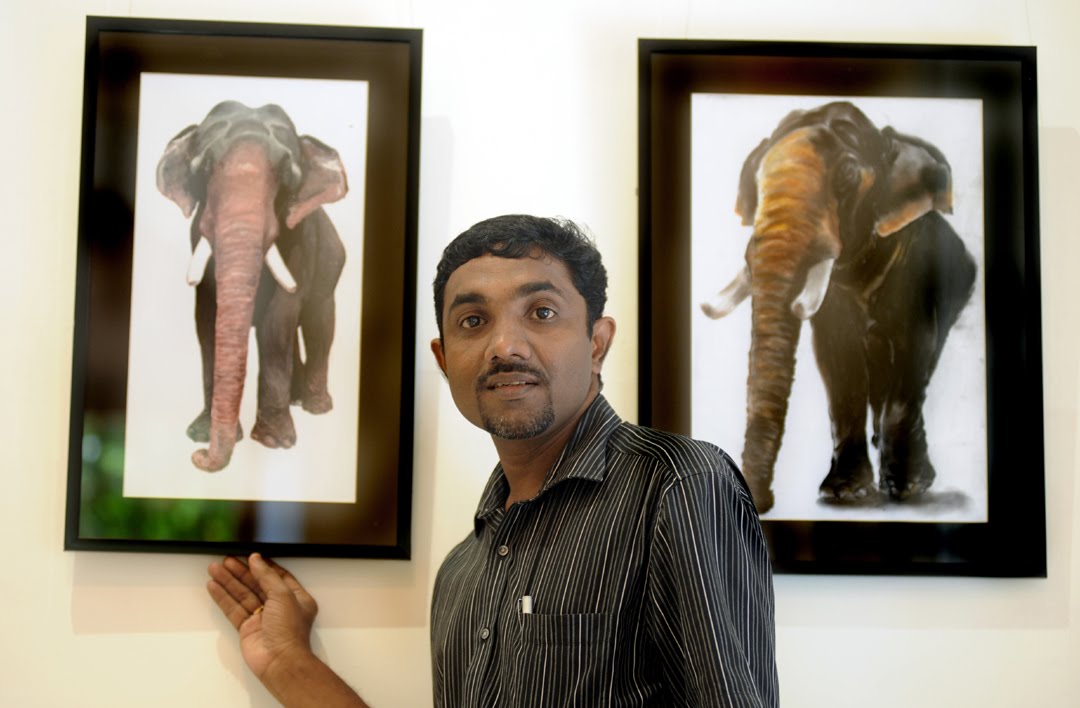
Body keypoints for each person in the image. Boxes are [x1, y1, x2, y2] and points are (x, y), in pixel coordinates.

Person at [207, 214, 779, 707]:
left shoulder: (677, 484)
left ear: (598, 342)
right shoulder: (461, 573)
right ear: (443, 357)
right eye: (473, 321)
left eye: (542, 312)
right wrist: (287, 663)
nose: (505, 346)